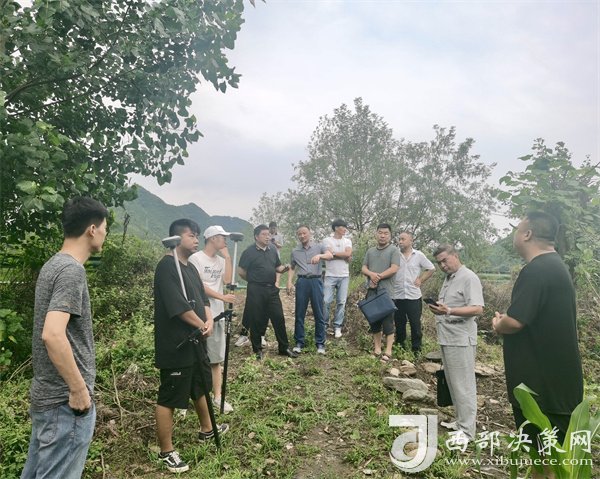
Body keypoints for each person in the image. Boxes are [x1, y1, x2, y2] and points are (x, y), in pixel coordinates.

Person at [21, 197, 108, 479]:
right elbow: (53, 334)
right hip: (65, 404)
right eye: (105, 227)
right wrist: (79, 389)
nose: (105, 233)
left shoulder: (53, 265)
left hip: (48, 398)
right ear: (92, 229)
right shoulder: (72, 270)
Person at [493, 212, 583, 462]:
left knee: (546, 461)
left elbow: (515, 321)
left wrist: (499, 323)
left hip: (541, 391)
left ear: (528, 234)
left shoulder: (536, 270)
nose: (514, 233)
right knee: (545, 459)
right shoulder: (555, 266)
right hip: (555, 383)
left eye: (517, 228)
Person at [153, 219, 228, 474]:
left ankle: (207, 429)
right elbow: (178, 307)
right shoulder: (167, 267)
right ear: (176, 239)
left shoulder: (191, 268)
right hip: (177, 344)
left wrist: (209, 320)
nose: (196, 240)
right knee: (170, 395)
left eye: (197, 235)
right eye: (191, 235)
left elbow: (202, 299)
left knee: (201, 385)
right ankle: (166, 451)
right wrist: (201, 324)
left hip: (197, 341)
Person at [427, 244, 484, 440]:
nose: (443, 265)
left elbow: (477, 308)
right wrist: (440, 309)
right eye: (439, 263)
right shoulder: (449, 278)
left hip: (461, 338)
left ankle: (467, 431)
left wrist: (449, 311)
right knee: (453, 383)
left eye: (445, 260)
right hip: (447, 336)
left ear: (455, 255)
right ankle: (460, 422)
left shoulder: (468, 277)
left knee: (463, 385)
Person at [189, 225, 236, 414]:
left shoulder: (221, 260)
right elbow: (198, 285)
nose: (225, 240)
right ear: (212, 238)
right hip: (199, 314)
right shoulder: (196, 258)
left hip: (218, 314)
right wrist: (222, 297)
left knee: (216, 359)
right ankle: (191, 396)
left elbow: (227, 280)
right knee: (194, 358)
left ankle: (217, 397)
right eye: (222, 237)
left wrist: (228, 258)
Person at [238, 224, 298, 360]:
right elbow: (241, 272)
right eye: (264, 234)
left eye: (268, 234)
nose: (268, 237)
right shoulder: (249, 252)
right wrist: (253, 280)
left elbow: (278, 267)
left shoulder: (272, 250)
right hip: (255, 289)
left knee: (278, 317)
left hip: (271, 289)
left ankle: (283, 348)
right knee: (257, 319)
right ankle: (257, 349)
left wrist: (285, 268)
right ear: (256, 237)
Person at [286, 225, 333, 354]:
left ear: (309, 233)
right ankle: (299, 342)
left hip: (316, 281)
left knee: (319, 312)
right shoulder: (295, 251)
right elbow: (292, 267)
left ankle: (320, 344)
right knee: (299, 312)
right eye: (299, 234)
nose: (302, 236)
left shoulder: (319, 246)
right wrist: (289, 281)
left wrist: (320, 256)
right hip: (302, 281)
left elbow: (330, 255)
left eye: (304, 233)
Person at [361, 223, 401, 362]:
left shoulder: (394, 250)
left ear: (390, 235)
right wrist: (371, 274)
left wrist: (378, 276)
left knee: (388, 322)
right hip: (372, 291)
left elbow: (394, 268)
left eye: (386, 233)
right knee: (374, 321)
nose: (382, 236)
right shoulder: (370, 251)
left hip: (387, 293)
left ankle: (388, 350)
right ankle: (377, 348)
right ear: (376, 234)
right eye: (380, 232)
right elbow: (364, 267)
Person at [392, 232, 435, 354]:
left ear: (411, 241)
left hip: (413, 296)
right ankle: (400, 347)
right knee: (399, 323)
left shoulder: (419, 255)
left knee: (415, 324)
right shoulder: (395, 255)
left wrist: (421, 279)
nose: (400, 241)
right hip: (398, 295)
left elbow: (431, 268)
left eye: (403, 239)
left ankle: (416, 349)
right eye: (399, 239)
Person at [322, 219, 353, 338]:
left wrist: (334, 253)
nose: (345, 229)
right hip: (330, 275)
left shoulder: (347, 241)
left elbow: (348, 254)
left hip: (344, 275)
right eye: (342, 227)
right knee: (326, 301)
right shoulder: (327, 240)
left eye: (345, 227)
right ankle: (324, 325)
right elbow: (328, 256)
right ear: (336, 228)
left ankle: (337, 326)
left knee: (341, 302)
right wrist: (342, 255)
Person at [269, 221, 284, 288]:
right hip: (267, 255)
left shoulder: (279, 236)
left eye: (274, 228)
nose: (273, 230)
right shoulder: (267, 235)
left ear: (276, 228)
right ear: (269, 228)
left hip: (276, 255)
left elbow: (281, 246)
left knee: (277, 269)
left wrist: (275, 242)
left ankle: (276, 283)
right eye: (271, 228)